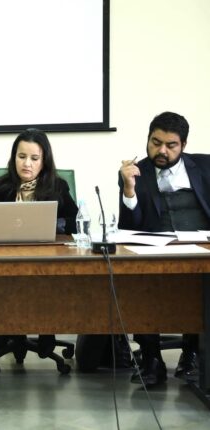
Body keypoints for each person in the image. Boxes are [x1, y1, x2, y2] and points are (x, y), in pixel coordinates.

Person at [0, 128, 78, 360]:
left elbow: (75, 222)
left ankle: (46, 328)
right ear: (13, 157)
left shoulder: (58, 187)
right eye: (22, 156)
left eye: (34, 158)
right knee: (4, 278)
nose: (27, 164)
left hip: (45, 262)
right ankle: (5, 332)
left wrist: (52, 225)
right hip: (5, 262)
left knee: (46, 278)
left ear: (44, 161)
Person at [116, 111, 205, 387]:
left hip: (201, 248)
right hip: (155, 250)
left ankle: (192, 353)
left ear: (183, 145)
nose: (162, 151)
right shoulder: (135, 172)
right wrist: (129, 189)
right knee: (139, 282)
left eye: (171, 145)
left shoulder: (205, 167)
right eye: (156, 143)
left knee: (203, 286)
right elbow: (129, 227)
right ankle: (151, 358)